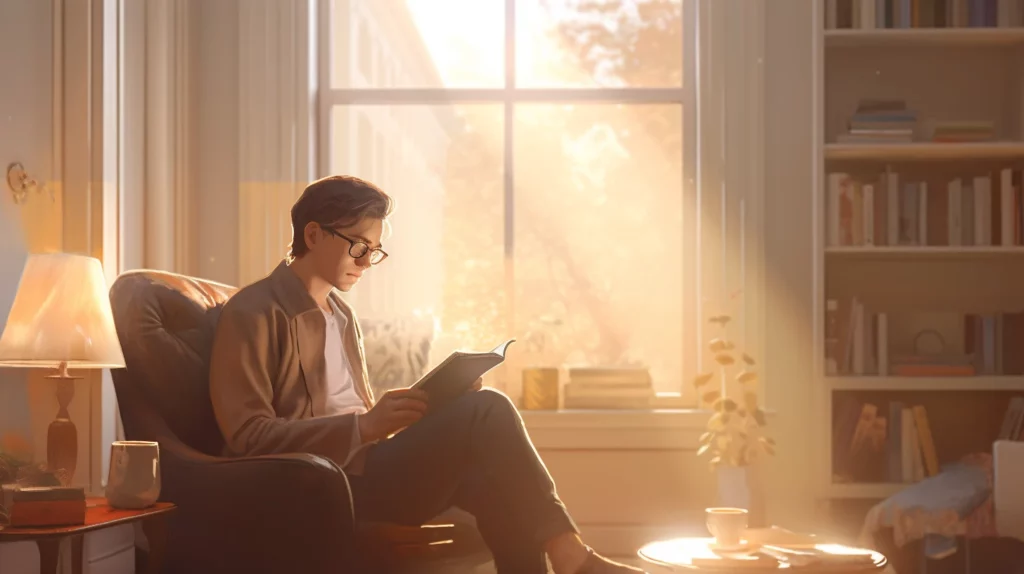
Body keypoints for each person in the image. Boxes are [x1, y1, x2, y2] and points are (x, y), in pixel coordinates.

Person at [209, 175, 648, 574]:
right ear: (312, 234)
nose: (365, 262)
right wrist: (363, 427)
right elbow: (248, 436)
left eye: (374, 251)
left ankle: (561, 562)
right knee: (488, 409)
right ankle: (573, 558)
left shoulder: (340, 314)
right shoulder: (254, 312)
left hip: (368, 465)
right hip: (324, 486)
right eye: (358, 246)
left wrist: (423, 407)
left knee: (494, 481)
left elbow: (354, 413)